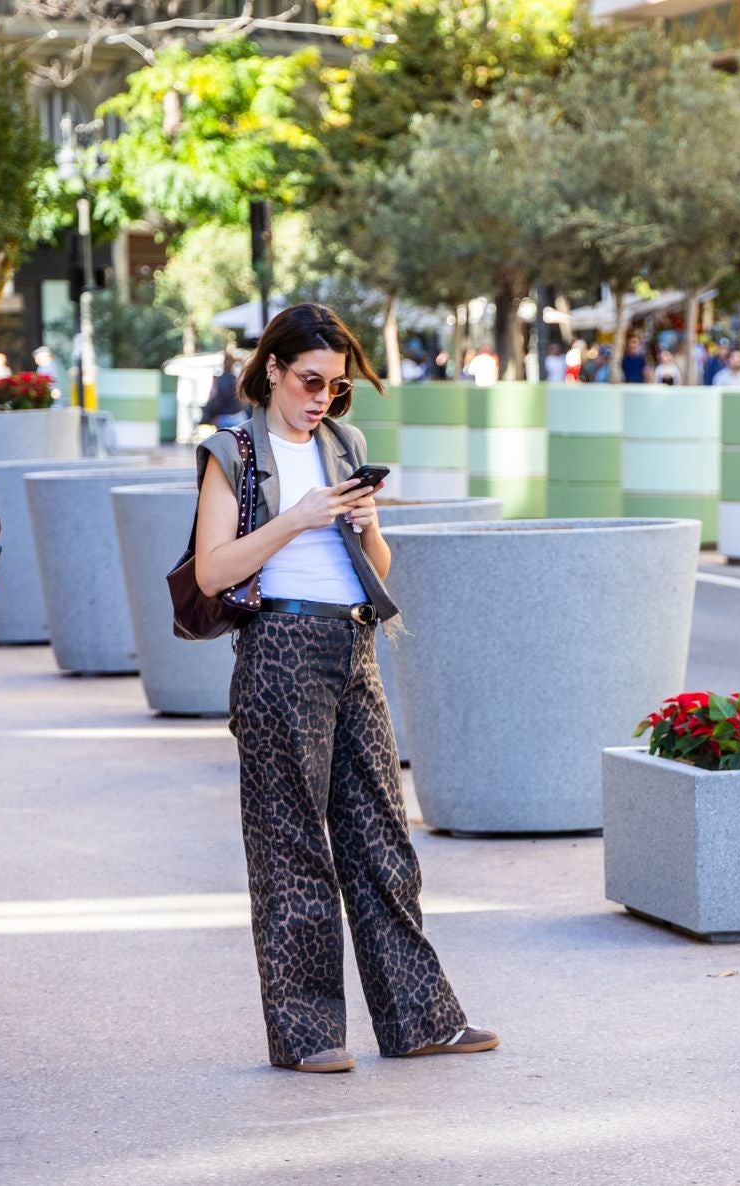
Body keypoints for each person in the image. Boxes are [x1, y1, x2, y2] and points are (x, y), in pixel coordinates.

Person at [191, 303, 496, 1073]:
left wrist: (364, 524)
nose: (322, 396)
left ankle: (419, 1018)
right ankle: (308, 1035)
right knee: (291, 847)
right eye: (309, 380)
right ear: (271, 371)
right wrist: (297, 518)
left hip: (353, 640)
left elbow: (379, 566)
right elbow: (212, 571)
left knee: (382, 837)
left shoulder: (343, 443)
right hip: (280, 649)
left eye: (335, 383)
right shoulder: (233, 451)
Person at [199, 349, 246, 430]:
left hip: (222, 417)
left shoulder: (218, 379)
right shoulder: (237, 379)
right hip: (237, 416)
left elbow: (213, 397)